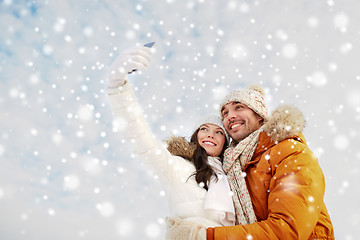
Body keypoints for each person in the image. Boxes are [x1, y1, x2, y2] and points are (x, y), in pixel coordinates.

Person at [105, 45, 244, 239]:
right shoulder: (177, 167)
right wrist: (118, 86)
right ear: (195, 137)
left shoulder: (235, 178)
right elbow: (139, 136)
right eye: (204, 129)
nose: (210, 135)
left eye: (218, 132)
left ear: (225, 142)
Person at [181, 85, 335, 239]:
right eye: (225, 113)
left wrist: (205, 236)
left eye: (238, 107)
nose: (230, 116)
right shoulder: (233, 167)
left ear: (259, 115)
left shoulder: (290, 152)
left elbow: (287, 229)